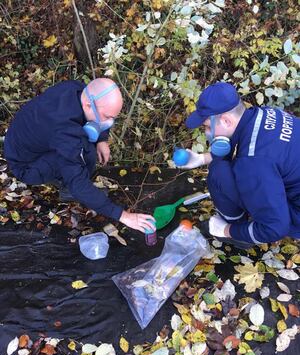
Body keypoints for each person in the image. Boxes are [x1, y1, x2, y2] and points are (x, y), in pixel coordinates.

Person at [4, 78, 155, 233]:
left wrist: (102, 139)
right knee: (85, 153)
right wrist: (123, 216)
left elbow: (93, 114)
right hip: (26, 165)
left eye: (113, 118)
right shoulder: (67, 135)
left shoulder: (75, 89)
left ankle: (65, 172)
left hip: (23, 141)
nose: (110, 123)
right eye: (108, 117)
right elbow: (79, 183)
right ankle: (65, 187)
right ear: (88, 105)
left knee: (86, 143)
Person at [183, 81, 300, 247]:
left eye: (207, 127)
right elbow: (243, 143)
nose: (207, 132)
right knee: (230, 166)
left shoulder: (252, 163)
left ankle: (239, 235)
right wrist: (202, 158)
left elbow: (275, 228)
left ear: (226, 121)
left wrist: (225, 230)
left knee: (219, 173)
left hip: (293, 215)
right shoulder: (264, 114)